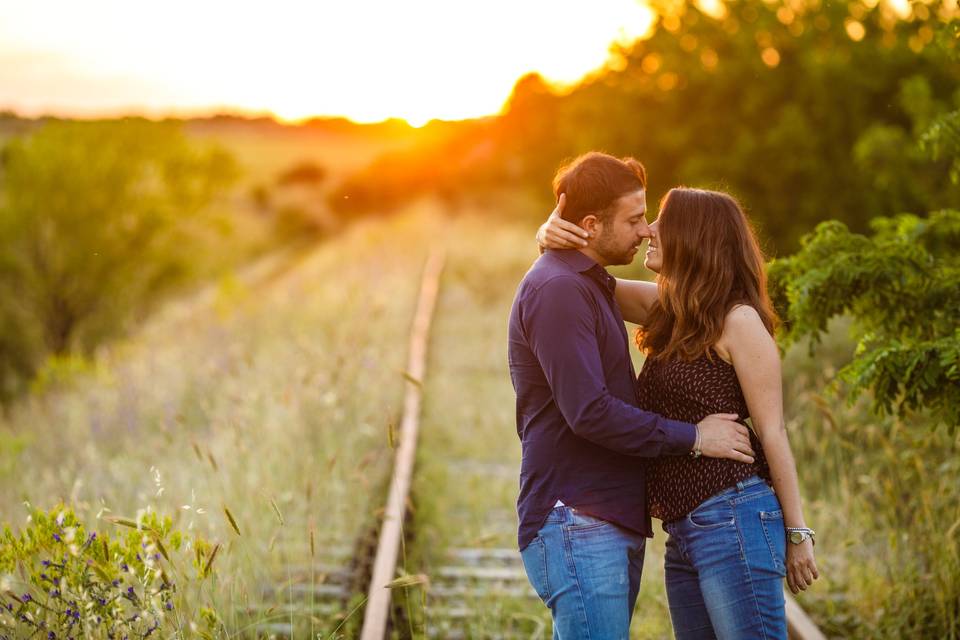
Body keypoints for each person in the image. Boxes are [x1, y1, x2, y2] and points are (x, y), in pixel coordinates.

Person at [538, 185, 820, 639]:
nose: (648, 230)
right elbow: (582, 284)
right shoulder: (673, 311)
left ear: (694, 237)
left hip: (734, 515)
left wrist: (798, 532)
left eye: (661, 222)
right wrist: (549, 236)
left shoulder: (739, 321)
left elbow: (773, 433)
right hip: (684, 532)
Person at [508, 152, 758, 639]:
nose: (646, 231)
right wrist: (695, 437)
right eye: (635, 219)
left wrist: (546, 238)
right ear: (589, 224)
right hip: (577, 516)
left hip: (605, 517)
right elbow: (589, 413)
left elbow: (699, 303)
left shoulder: (589, 284)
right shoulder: (559, 289)